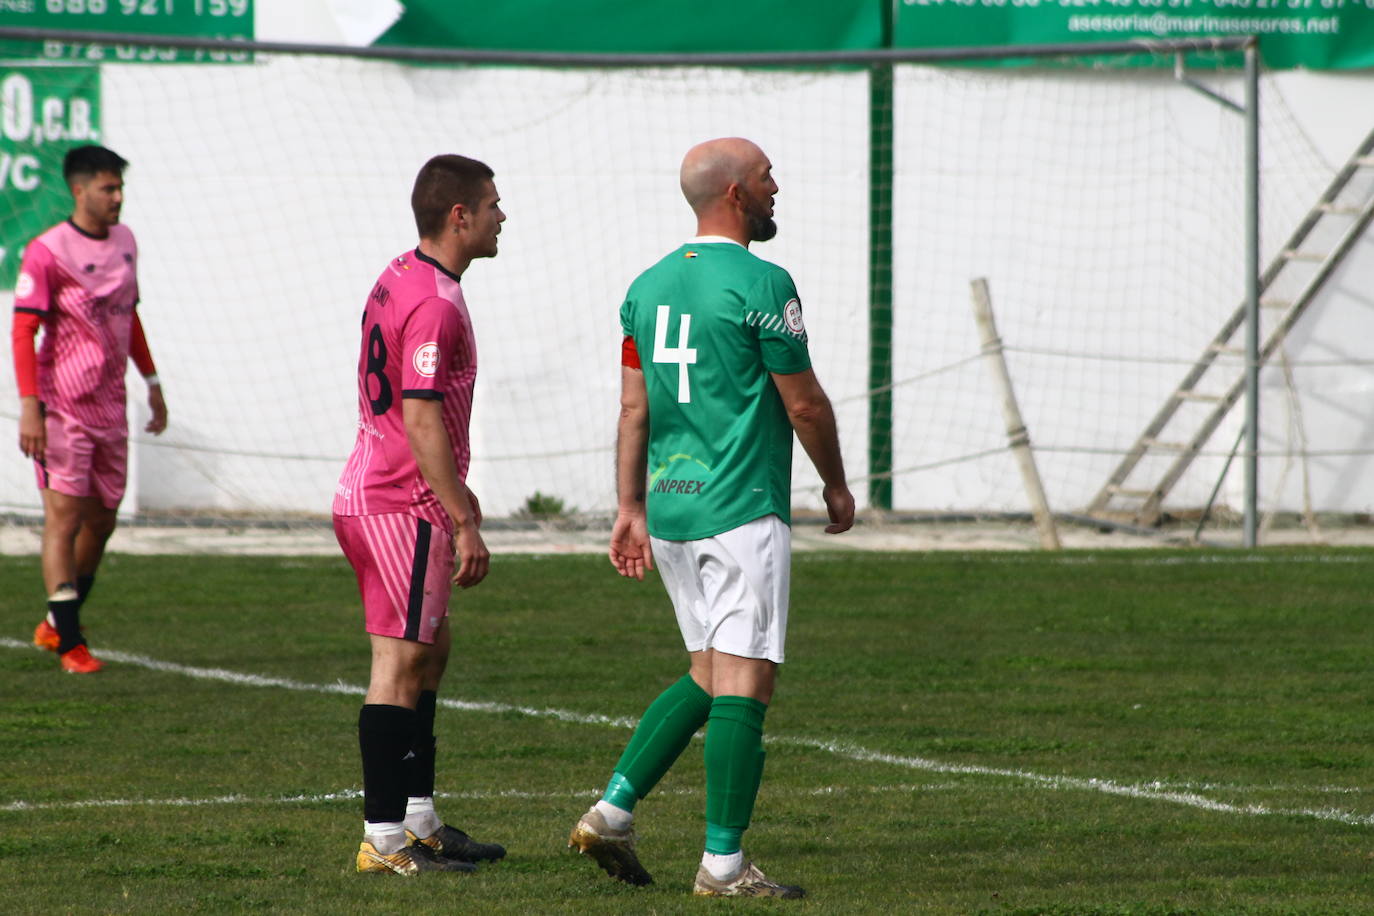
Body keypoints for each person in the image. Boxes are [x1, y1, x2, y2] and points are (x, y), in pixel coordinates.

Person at [568, 137, 855, 898]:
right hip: (740, 509)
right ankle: (724, 867)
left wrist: (629, 506)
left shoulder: (646, 287)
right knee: (747, 683)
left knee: (707, 671)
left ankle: (611, 811)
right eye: (766, 177)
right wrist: (835, 484)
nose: (776, 187)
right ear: (734, 192)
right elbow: (804, 402)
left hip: (670, 510)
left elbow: (635, 408)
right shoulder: (764, 282)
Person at [332, 154, 507, 877]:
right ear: (459, 215)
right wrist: (462, 514)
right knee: (400, 663)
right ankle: (384, 839)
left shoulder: (400, 272)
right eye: (494, 203)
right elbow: (421, 414)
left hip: (378, 490)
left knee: (430, 653)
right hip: (402, 500)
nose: (504, 215)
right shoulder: (435, 300)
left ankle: (417, 818)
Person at [11, 145, 168, 675]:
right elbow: (23, 330)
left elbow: (131, 316)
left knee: (102, 521)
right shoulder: (47, 251)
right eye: (108, 188)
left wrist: (152, 380)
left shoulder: (126, 242)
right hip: (62, 410)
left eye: (120, 188)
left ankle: (58, 620)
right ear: (79, 191)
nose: (118, 197)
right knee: (63, 517)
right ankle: (70, 641)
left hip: (111, 409)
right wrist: (30, 408)